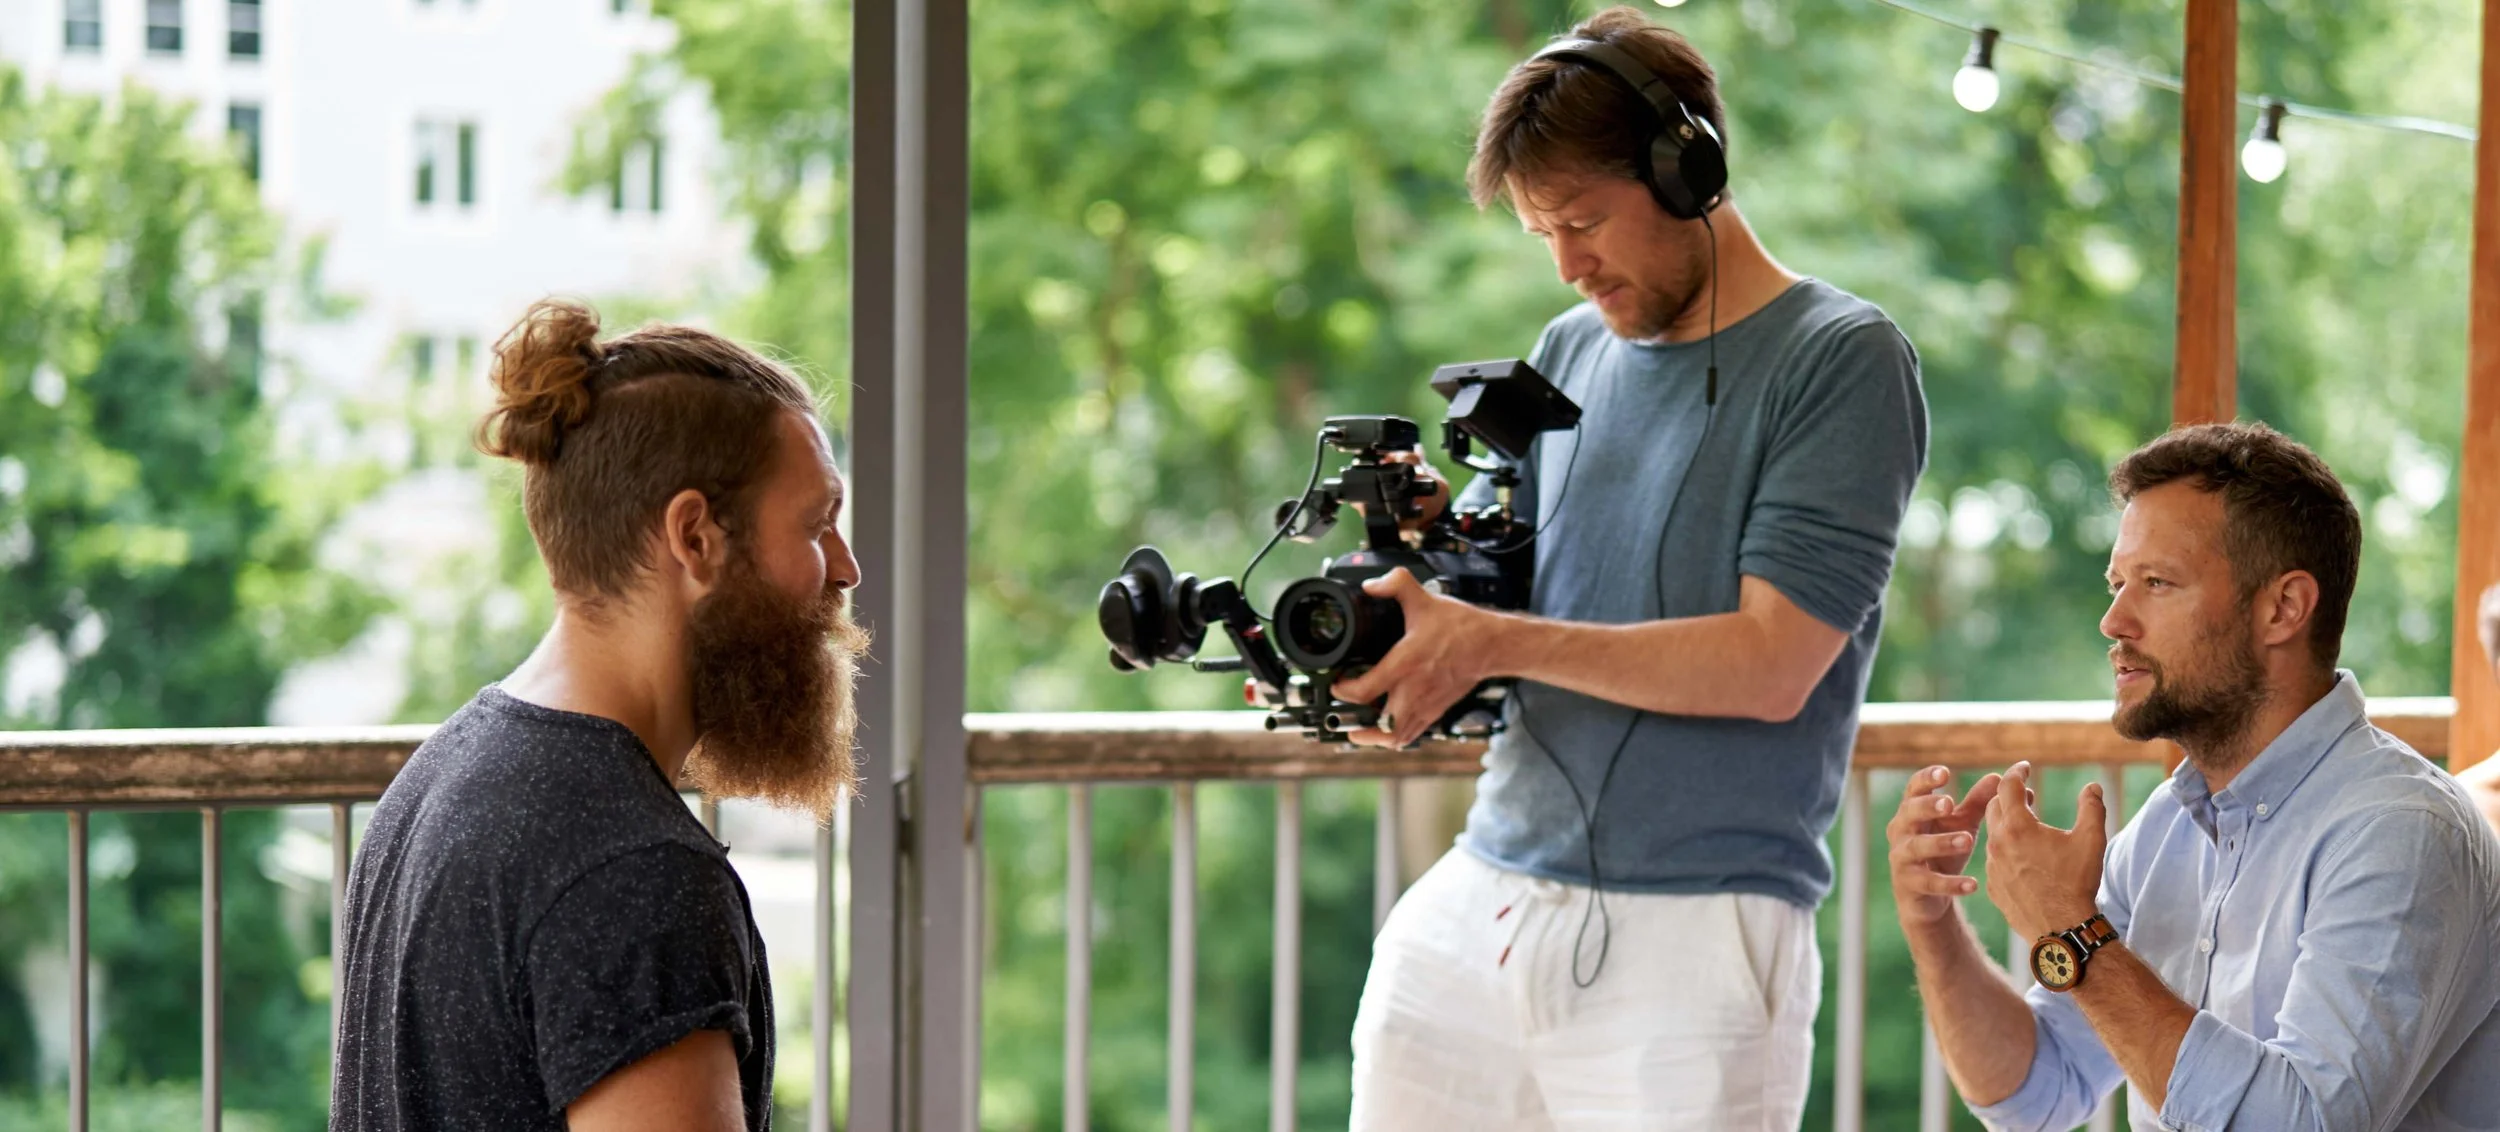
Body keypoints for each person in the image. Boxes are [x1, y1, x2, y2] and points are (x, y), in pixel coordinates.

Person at [1334, 8, 1927, 1128]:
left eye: (1583, 221)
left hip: (1694, 933)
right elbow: (1481, 589)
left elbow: (1770, 664)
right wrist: (1414, 610)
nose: (1565, 265)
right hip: (1483, 895)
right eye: (1540, 233)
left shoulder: (1841, 359)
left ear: (1686, 166)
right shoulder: (1565, 355)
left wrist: (1493, 641)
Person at [330, 299, 867, 1131]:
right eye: (817, 524)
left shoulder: (442, 774)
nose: (846, 568)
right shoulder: (636, 874)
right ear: (695, 537)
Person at [1890, 421, 2500, 1130]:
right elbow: (2037, 1092)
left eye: (2156, 583)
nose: (2113, 620)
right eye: (2118, 584)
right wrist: (1932, 923)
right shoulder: (2165, 830)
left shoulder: (2401, 831)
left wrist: (2070, 931)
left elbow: (2298, 1124)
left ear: (2283, 608)